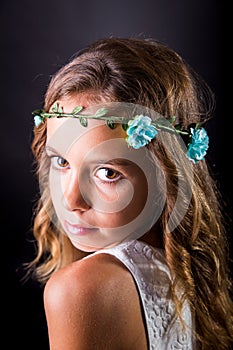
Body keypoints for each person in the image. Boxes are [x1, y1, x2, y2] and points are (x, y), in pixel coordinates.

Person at [27, 37, 233, 349]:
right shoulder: (191, 279)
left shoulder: (80, 290)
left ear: (165, 174)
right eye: (61, 161)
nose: (70, 200)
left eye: (108, 172)